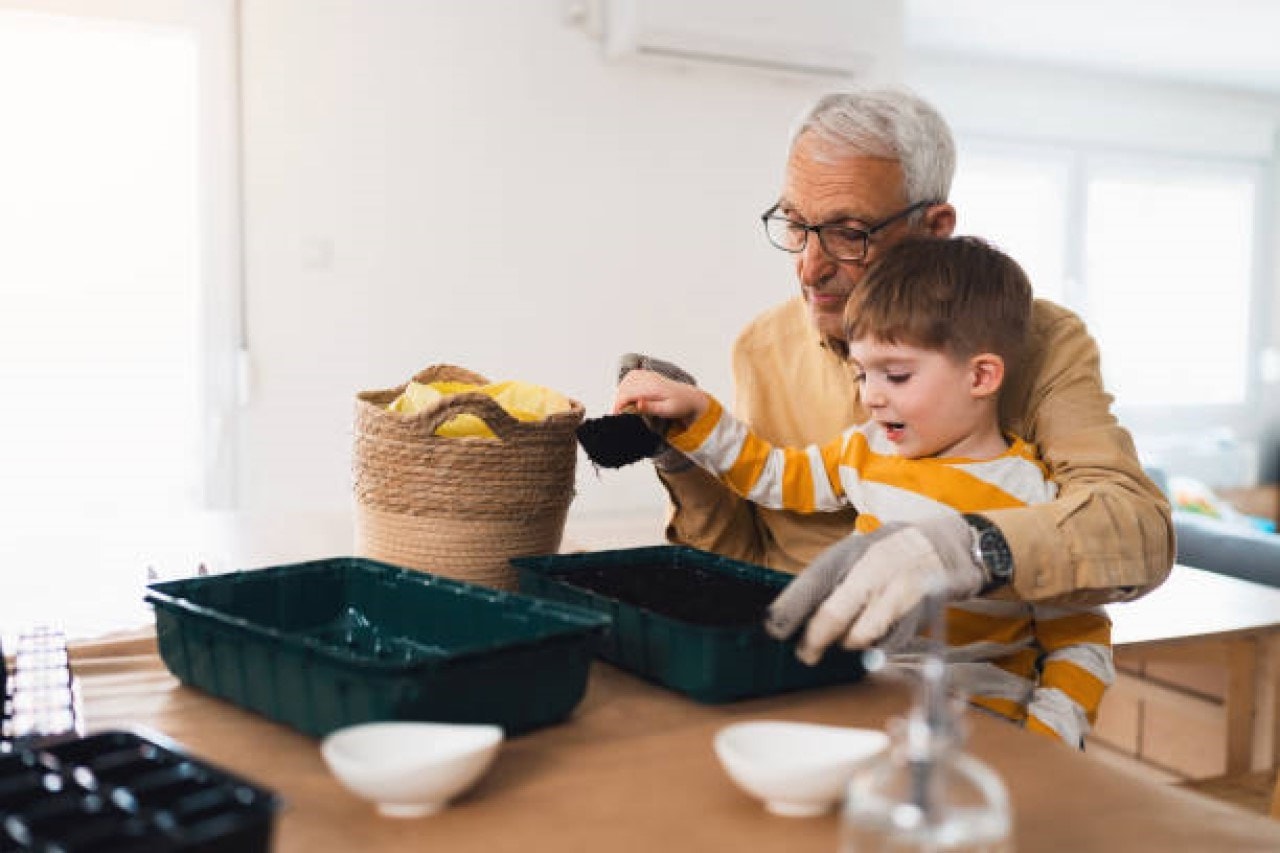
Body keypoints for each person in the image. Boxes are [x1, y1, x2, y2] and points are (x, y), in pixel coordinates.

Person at [621, 85, 1173, 665]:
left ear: (935, 227)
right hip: (804, 666)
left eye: (848, 233)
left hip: (964, 685)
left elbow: (1139, 529)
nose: (810, 268)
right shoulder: (762, 347)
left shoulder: (1041, 342)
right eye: (794, 224)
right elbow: (744, 556)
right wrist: (684, 457)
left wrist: (977, 548)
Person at [616, 236, 1113, 746]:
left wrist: (1048, 737)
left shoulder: (1034, 499)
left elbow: (1080, 637)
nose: (872, 397)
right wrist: (698, 413)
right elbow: (774, 476)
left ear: (981, 375)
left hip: (978, 729)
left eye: (896, 375)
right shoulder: (867, 450)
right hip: (864, 701)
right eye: (861, 374)